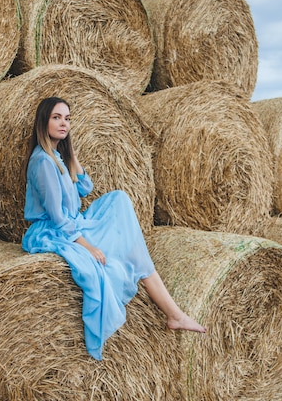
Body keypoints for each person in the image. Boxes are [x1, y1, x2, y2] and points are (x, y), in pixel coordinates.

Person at [22, 97, 206, 361]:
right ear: (44, 121)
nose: (64, 123)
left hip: (75, 222)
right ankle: (174, 314)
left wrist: (72, 157)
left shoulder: (58, 157)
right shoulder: (42, 163)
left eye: (67, 118)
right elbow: (57, 217)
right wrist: (87, 246)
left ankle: (174, 313)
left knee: (119, 201)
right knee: (119, 256)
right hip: (57, 231)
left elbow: (85, 187)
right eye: (56, 117)